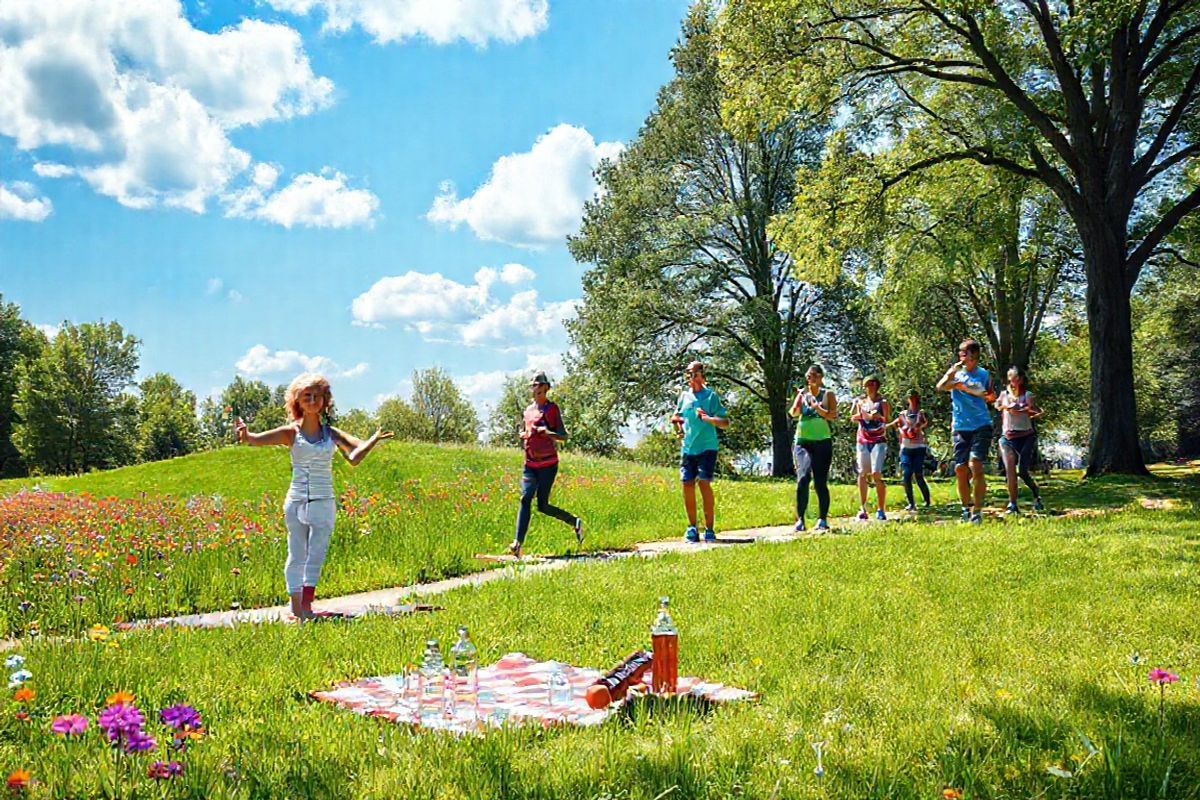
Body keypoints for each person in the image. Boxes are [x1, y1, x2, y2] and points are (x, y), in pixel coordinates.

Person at [235, 373, 392, 620]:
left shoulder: (331, 434)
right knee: (296, 553)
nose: (311, 400)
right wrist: (246, 435)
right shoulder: (291, 432)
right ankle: (296, 608)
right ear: (297, 400)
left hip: (323, 501)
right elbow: (255, 440)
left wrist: (372, 441)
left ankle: (306, 607)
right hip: (296, 500)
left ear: (324, 401)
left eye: (317, 396)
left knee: (316, 554)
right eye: (306, 395)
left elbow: (354, 457)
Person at [508, 372, 583, 558]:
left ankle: (574, 521)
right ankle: (517, 543)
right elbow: (526, 432)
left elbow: (563, 436)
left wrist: (547, 432)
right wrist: (524, 436)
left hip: (548, 464)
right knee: (525, 498)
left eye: (539, 386)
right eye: (533, 386)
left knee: (542, 506)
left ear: (546, 388)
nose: (536, 389)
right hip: (530, 463)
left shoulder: (552, 409)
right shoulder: (528, 411)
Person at [936, 339, 995, 524]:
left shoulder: (983, 374)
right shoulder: (956, 373)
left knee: (975, 463)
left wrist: (965, 387)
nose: (962, 358)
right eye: (960, 354)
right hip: (960, 427)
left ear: (975, 357)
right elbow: (940, 387)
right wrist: (951, 375)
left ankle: (977, 511)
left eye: (966, 354)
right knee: (961, 469)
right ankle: (965, 508)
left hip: (981, 424)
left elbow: (986, 394)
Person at [669, 361, 729, 542]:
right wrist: (677, 425)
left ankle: (709, 529)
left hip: (707, 447)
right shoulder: (684, 397)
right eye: (688, 373)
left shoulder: (710, 396)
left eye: (694, 373)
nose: (690, 377)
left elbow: (725, 422)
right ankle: (692, 528)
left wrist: (708, 418)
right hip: (688, 448)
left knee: (703, 482)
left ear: (702, 375)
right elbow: (677, 416)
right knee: (687, 484)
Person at [789, 364, 837, 531]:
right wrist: (797, 404)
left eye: (815, 375)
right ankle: (800, 520)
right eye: (809, 376)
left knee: (820, 482)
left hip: (822, 442)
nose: (811, 379)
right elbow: (793, 413)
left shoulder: (827, 394)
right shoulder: (803, 394)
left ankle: (822, 519)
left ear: (821, 377)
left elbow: (832, 415)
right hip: (803, 442)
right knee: (802, 478)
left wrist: (817, 407)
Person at [995, 366, 1046, 514]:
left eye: (1017, 378)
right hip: (1007, 437)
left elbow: (1036, 411)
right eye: (1011, 378)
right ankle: (1012, 504)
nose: (1014, 381)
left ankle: (1036, 493)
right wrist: (1004, 406)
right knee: (1010, 468)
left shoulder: (1028, 395)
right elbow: (997, 404)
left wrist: (1025, 410)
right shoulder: (1004, 394)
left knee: (1022, 471)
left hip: (1026, 436)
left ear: (1021, 380)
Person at [851, 376, 890, 520]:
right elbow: (854, 417)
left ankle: (881, 509)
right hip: (862, 440)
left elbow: (887, 419)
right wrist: (861, 415)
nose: (871, 386)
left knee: (876, 473)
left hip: (879, 440)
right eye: (868, 384)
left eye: (873, 384)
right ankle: (862, 507)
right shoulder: (860, 402)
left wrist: (878, 416)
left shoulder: (882, 402)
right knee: (862, 473)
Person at [889, 389, 932, 511]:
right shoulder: (902, 414)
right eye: (910, 397)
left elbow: (924, 423)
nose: (912, 399)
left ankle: (927, 500)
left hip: (919, 447)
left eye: (914, 397)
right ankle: (911, 503)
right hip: (906, 448)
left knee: (918, 474)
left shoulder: (921, 413)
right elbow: (896, 424)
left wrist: (916, 428)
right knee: (906, 475)